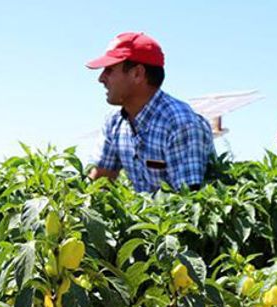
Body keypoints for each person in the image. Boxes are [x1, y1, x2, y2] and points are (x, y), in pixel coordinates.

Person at [86, 32, 215, 192]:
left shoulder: (180, 124)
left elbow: (188, 201)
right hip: (147, 216)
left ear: (137, 74)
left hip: (174, 217)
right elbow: (100, 182)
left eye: (109, 70)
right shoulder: (114, 123)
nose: (101, 78)